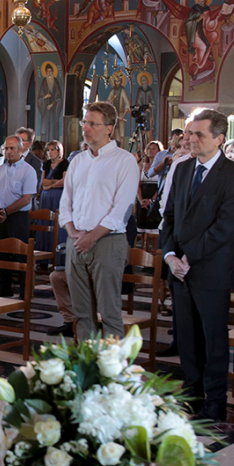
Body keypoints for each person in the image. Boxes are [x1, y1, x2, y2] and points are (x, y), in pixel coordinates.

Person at [161, 109, 234, 422]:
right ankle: (192, 395)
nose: (191, 140)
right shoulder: (183, 170)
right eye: (189, 133)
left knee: (213, 338)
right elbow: (168, 217)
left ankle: (215, 401)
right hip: (179, 270)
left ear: (219, 138)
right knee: (186, 336)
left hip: (210, 269)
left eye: (199, 134)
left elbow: (224, 227)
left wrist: (188, 257)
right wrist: (170, 254)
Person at [59, 102, 139, 340]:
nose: (86, 128)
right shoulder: (78, 161)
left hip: (107, 242)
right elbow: (66, 201)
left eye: (93, 123)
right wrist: (72, 232)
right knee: (82, 313)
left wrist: (91, 237)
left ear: (109, 129)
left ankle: (114, 372)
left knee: (109, 311)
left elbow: (123, 208)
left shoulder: (124, 161)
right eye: (85, 122)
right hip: (76, 240)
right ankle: (87, 369)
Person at [0, 135, 37, 298]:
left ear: (20, 149)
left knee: (20, 254)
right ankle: (4, 287)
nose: (8, 152)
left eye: (12, 149)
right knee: (1, 252)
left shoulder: (28, 171)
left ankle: (24, 290)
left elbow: (26, 198)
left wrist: (6, 212)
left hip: (18, 217)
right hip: (0, 216)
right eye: (6, 149)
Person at [38, 140, 69, 255]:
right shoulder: (46, 164)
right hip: (45, 197)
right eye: (48, 150)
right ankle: (44, 255)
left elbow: (64, 182)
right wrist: (54, 181)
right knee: (45, 223)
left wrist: (51, 185)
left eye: (53, 150)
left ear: (59, 151)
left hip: (58, 196)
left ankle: (57, 255)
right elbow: (42, 181)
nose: (50, 152)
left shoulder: (65, 163)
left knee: (56, 224)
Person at [136, 140, 163, 229]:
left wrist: (151, 200)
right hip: (143, 198)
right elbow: (137, 184)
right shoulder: (141, 165)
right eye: (149, 149)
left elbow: (162, 185)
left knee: (153, 228)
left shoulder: (162, 166)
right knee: (141, 227)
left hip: (155, 198)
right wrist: (141, 200)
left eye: (154, 149)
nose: (150, 151)